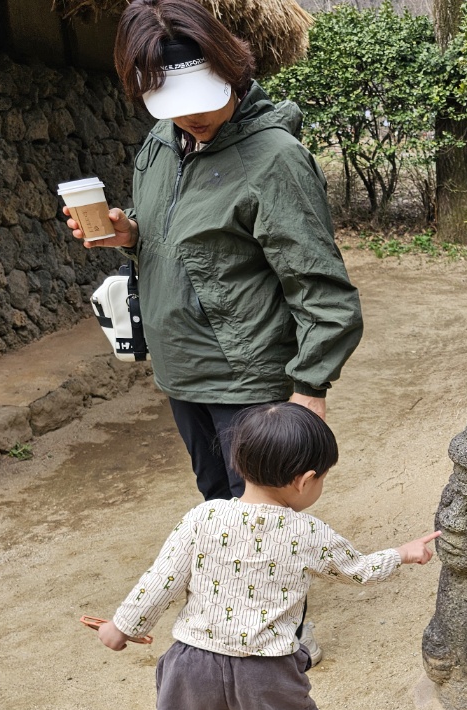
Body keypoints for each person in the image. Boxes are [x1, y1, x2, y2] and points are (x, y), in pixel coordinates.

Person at [94, 403, 439, 710]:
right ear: (304, 480)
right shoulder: (307, 531)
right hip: (269, 668)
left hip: (194, 663)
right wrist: (404, 553)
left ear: (239, 462)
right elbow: (357, 571)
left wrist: (123, 626)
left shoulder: (203, 518)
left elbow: (161, 579)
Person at [65, 0, 362, 504]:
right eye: (172, 103)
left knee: (260, 515)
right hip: (181, 369)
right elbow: (189, 240)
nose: (191, 116)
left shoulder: (275, 161)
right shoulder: (161, 144)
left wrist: (311, 388)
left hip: (247, 381)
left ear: (232, 69)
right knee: (217, 504)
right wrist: (132, 235)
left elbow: (322, 290)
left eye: (201, 98)